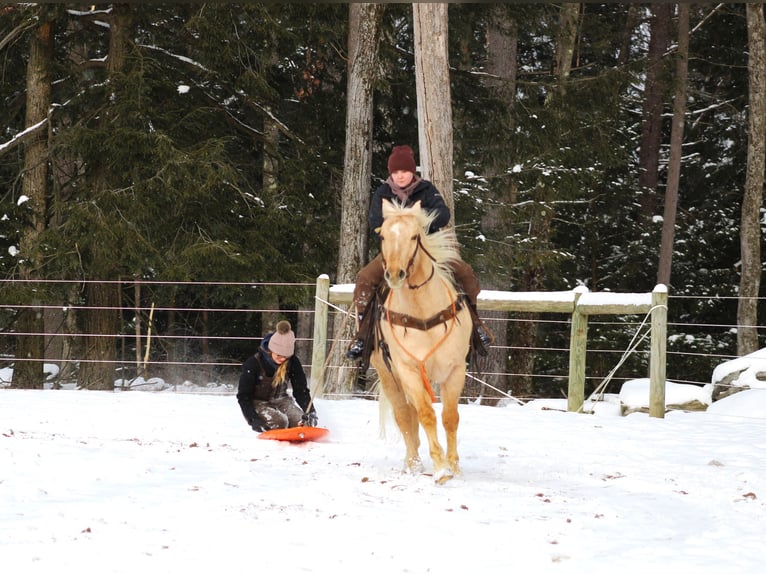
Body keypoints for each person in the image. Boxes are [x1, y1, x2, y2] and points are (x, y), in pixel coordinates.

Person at [345, 144, 493, 361]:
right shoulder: (383, 193)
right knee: (365, 278)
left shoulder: (426, 190)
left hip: (427, 247)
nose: (400, 176)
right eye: (396, 172)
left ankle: (475, 325)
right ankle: (363, 334)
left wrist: (419, 225)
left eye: (404, 171)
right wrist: (394, 236)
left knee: (464, 273)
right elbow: (375, 222)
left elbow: (443, 214)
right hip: (394, 250)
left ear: (412, 171)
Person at [237, 320, 318, 432]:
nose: (282, 359)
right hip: (258, 403)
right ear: (271, 350)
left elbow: (301, 390)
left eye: (286, 356)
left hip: (282, 401)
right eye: (279, 355)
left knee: (303, 424)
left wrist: (310, 410)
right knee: (280, 422)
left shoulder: (293, 362)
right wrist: (252, 419)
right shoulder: (254, 363)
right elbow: (243, 396)